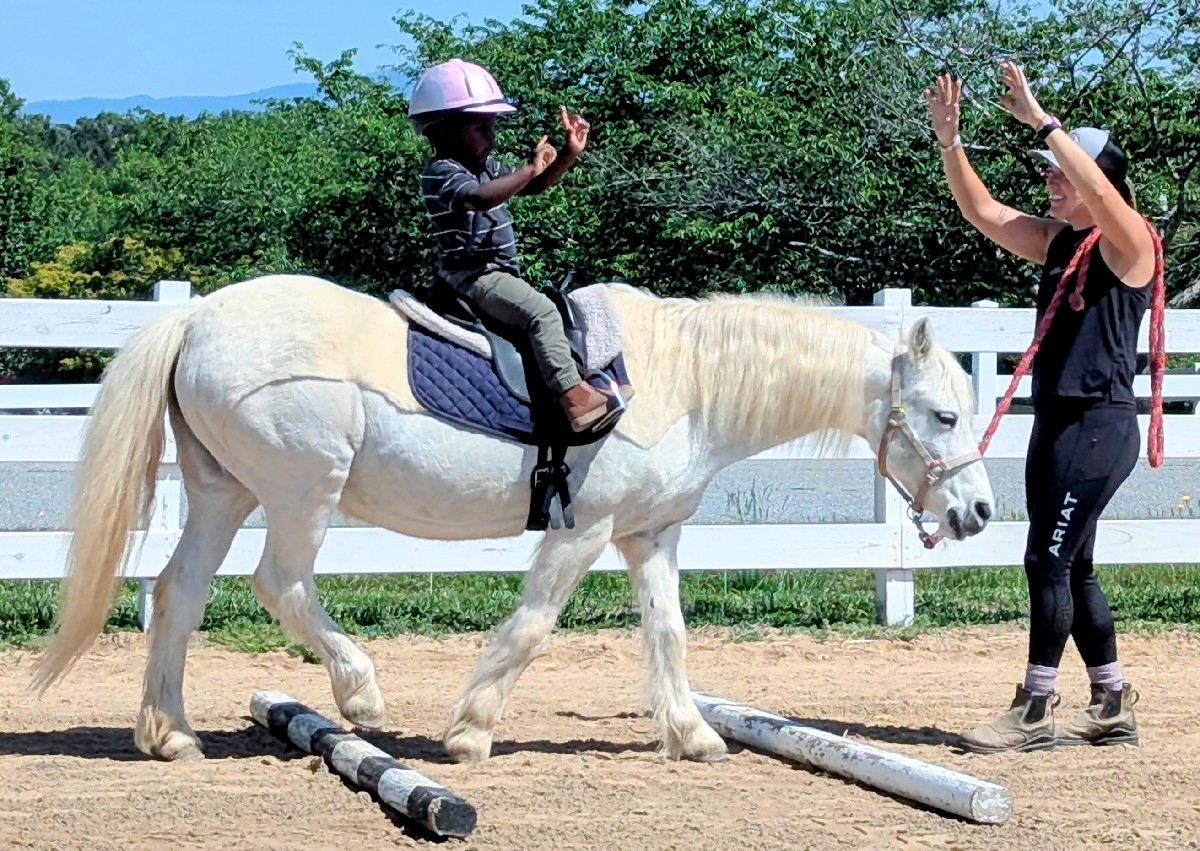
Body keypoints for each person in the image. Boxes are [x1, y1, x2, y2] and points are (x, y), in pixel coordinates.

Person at [925, 60, 1166, 753]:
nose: (1050, 182)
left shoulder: (1131, 242)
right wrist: (950, 142)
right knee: (1072, 563)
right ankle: (1111, 702)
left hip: (1098, 424)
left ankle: (1034, 709)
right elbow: (983, 212)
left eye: (1061, 174)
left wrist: (1042, 120)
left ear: (1094, 181)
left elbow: (1102, 190)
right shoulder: (1062, 241)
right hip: (1060, 423)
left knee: (1046, 561)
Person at [408, 58, 626, 433]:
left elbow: (533, 185)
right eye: (480, 128)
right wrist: (528, 167)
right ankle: (576, 401)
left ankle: (573, 379)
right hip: (474, 276)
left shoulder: (486, 166)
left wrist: (567, 154)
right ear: (443, 130)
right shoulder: (442, 171)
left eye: (492, 127)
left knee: (552, 309)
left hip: (499, 273)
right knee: (541, 312)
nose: (490, 137)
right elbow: (477, 199)